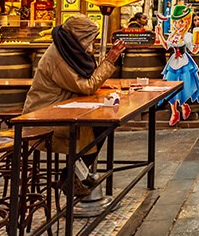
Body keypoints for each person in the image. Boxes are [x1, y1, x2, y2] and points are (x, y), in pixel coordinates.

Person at [23, 14, 127, 195]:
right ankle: (70, 177)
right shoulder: (58, 57)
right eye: (89, 39)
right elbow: (85, 85)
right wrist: (109, 60)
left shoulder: (68, 50)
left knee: (103, 124)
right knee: (99, 126)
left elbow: (83, 80)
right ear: (80, 37)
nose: (91, 45)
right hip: (47, 115)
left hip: (63, 108)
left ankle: (77, 173)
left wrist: (99, 81)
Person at [154, 4, 199, 126]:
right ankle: (174, 112)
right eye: (176, 22)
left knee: (184, 85)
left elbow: (194, 51)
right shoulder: (172, 34)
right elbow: (167, 46)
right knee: (170, 85)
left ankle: (184, 105)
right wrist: (160, 35)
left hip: (185, 62)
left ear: (187, 22)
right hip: (173, 62)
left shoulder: (188, 36)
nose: (178, 25)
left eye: (181, 22)